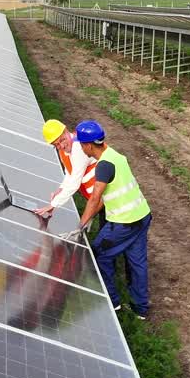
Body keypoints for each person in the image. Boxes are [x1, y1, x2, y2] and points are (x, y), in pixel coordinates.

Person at [68, 119, 152, 319]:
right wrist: (88, 219)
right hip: (142, 216)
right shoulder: (115, 155)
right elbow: (103, 200)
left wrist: (79, 226)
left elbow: (95, 198)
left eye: (80, 144)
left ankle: (112, 302)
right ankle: (140, 308)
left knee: (98, 254)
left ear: (88, 145)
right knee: (137, 262)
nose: (80, 148)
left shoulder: (103, 166)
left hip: (124, 222)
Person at [34, 119, 97, 219]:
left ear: (66, 131)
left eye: (62, 140)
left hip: (111, 197)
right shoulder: (64, 150)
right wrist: (61, 188)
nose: (61, 146)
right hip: (99, 198)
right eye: (56, 144)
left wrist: (53, 204)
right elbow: (69, 172)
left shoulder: (79, 148)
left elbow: (74, 182)